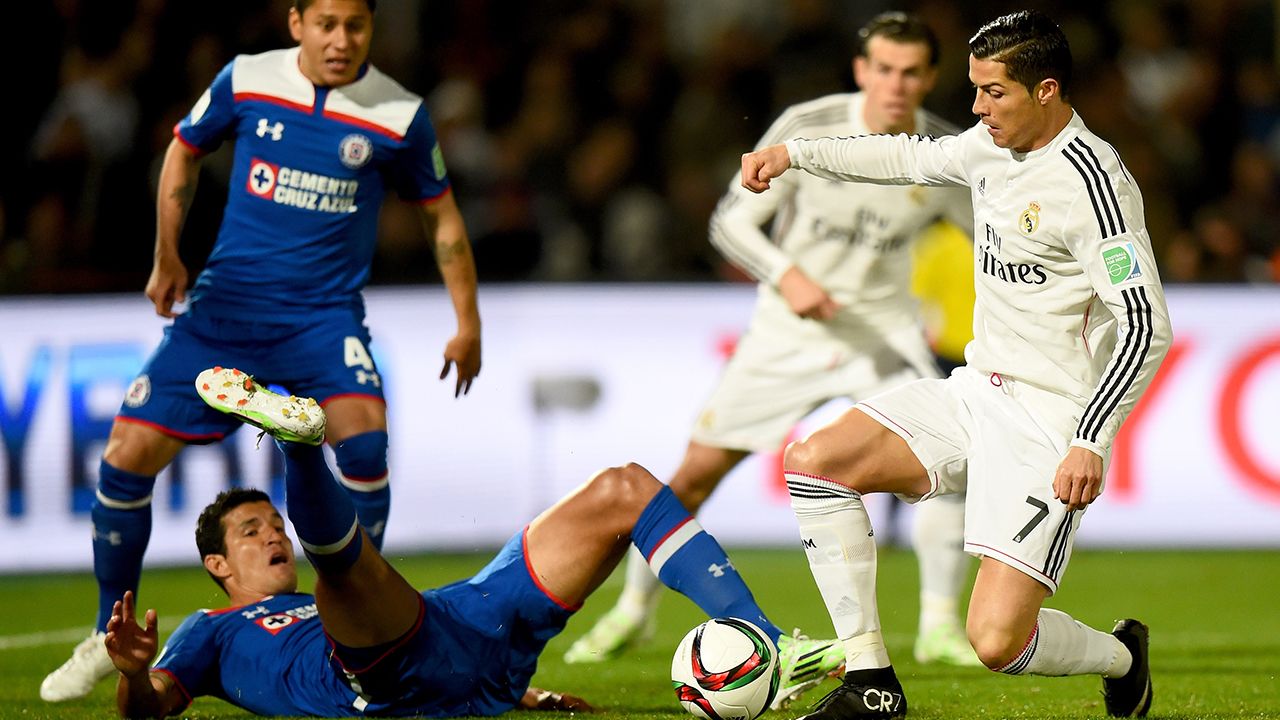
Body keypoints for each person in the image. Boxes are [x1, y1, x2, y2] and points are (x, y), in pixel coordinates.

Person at [40, 0, 483, 702]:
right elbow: (184, 149)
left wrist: (467, 320)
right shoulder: (247, 79)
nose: (341, 40)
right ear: (297, 22)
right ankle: (104, 634)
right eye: (327, 24)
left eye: (356, 26)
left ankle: (359, 624)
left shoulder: (399, 114)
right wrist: (166, 253)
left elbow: (442, 215)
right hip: (226, 311)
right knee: (125, 456)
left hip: (321, 319)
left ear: (370, 28)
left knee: (365, 446)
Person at [740, 9, 1171, 719]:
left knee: (998, 642)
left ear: (1045, 91)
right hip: (975, 392)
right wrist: (795, 154)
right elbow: (905, 158)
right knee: (816, 462)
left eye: (992, 92)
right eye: (974, 89)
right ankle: (872, 682)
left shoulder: (1095, 186)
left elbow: (1146, 324)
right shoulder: (986, 147)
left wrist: (1091, 439)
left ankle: (1123, 656)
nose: (976, 107)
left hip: (1049, 422)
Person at [564, 12, 980, 669]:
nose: (896, 84)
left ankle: (938, 627)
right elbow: (731, 222)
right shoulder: (809, 128)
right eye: (884, 69)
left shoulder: (943, 152)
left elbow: (988, 233)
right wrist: (789, 276)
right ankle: (633, 610)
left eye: (911, 72)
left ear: (930, 77)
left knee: (945, 467)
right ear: (861, 70)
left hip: (880, 335)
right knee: (695, 474)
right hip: (787, 333)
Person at [103, 366, 844, 718]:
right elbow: (150, 708)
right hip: (377, 672)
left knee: (625, 487)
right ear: (216, 565)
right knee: (345, 576)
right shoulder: (211, 631)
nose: (271, 535)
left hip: (460, 625)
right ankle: (301, 447)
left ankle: (769, 643)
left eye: (273, 523)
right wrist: (134, 675)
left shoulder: (318, 603)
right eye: (250, 531)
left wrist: (526, 694)